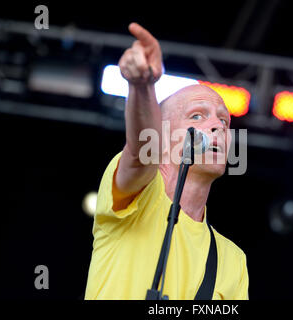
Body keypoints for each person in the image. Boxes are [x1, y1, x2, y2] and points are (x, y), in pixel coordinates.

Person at [85, 22, 249, 300]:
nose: (217, 126)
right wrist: (141, 85)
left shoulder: (232, 260)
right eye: (197, 116)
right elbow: (140, 154)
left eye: (223, 120)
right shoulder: (138, 199)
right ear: (159, 136)